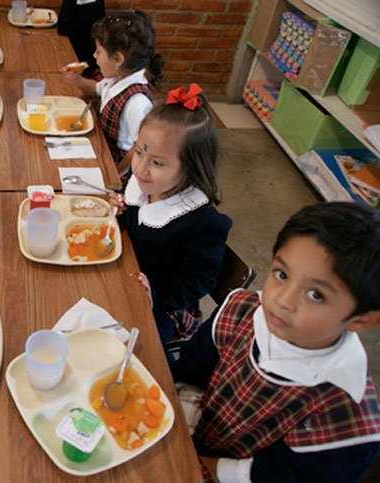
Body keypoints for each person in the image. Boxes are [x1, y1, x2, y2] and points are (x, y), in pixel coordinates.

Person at [172, 202, 380, 482]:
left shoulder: (345, 417)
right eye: (281, 275)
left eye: (316, 295)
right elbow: (188, 370)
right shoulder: (241, 310)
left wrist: (198, 467)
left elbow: (278, 476)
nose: (282, 300)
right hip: (184, 436)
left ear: (362, 320)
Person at [109, 84, 232, 351]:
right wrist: (120, 212)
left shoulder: (203, 223)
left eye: (157, 163)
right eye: (139, 152)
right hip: (127, 276)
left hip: (165, 307)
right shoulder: (146, 186)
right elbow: (137, 227)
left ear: (190, 168)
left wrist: (155, 296)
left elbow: (198, 281)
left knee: (135, 352)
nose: (141, 168)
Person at [62, 10, 163, 177]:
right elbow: (95, 89)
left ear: (118, 59)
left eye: (99, 51)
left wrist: (115, 174)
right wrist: (78, 81)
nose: (94, 55)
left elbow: (142, 148)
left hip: (117, 168)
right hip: (102, 150)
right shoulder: (117, 77)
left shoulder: (137, 102)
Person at [57, 0, 106, 79]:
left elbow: (64, 29)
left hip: (88, 64)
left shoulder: (95, 4)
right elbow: (63, 29)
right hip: (73, 56)